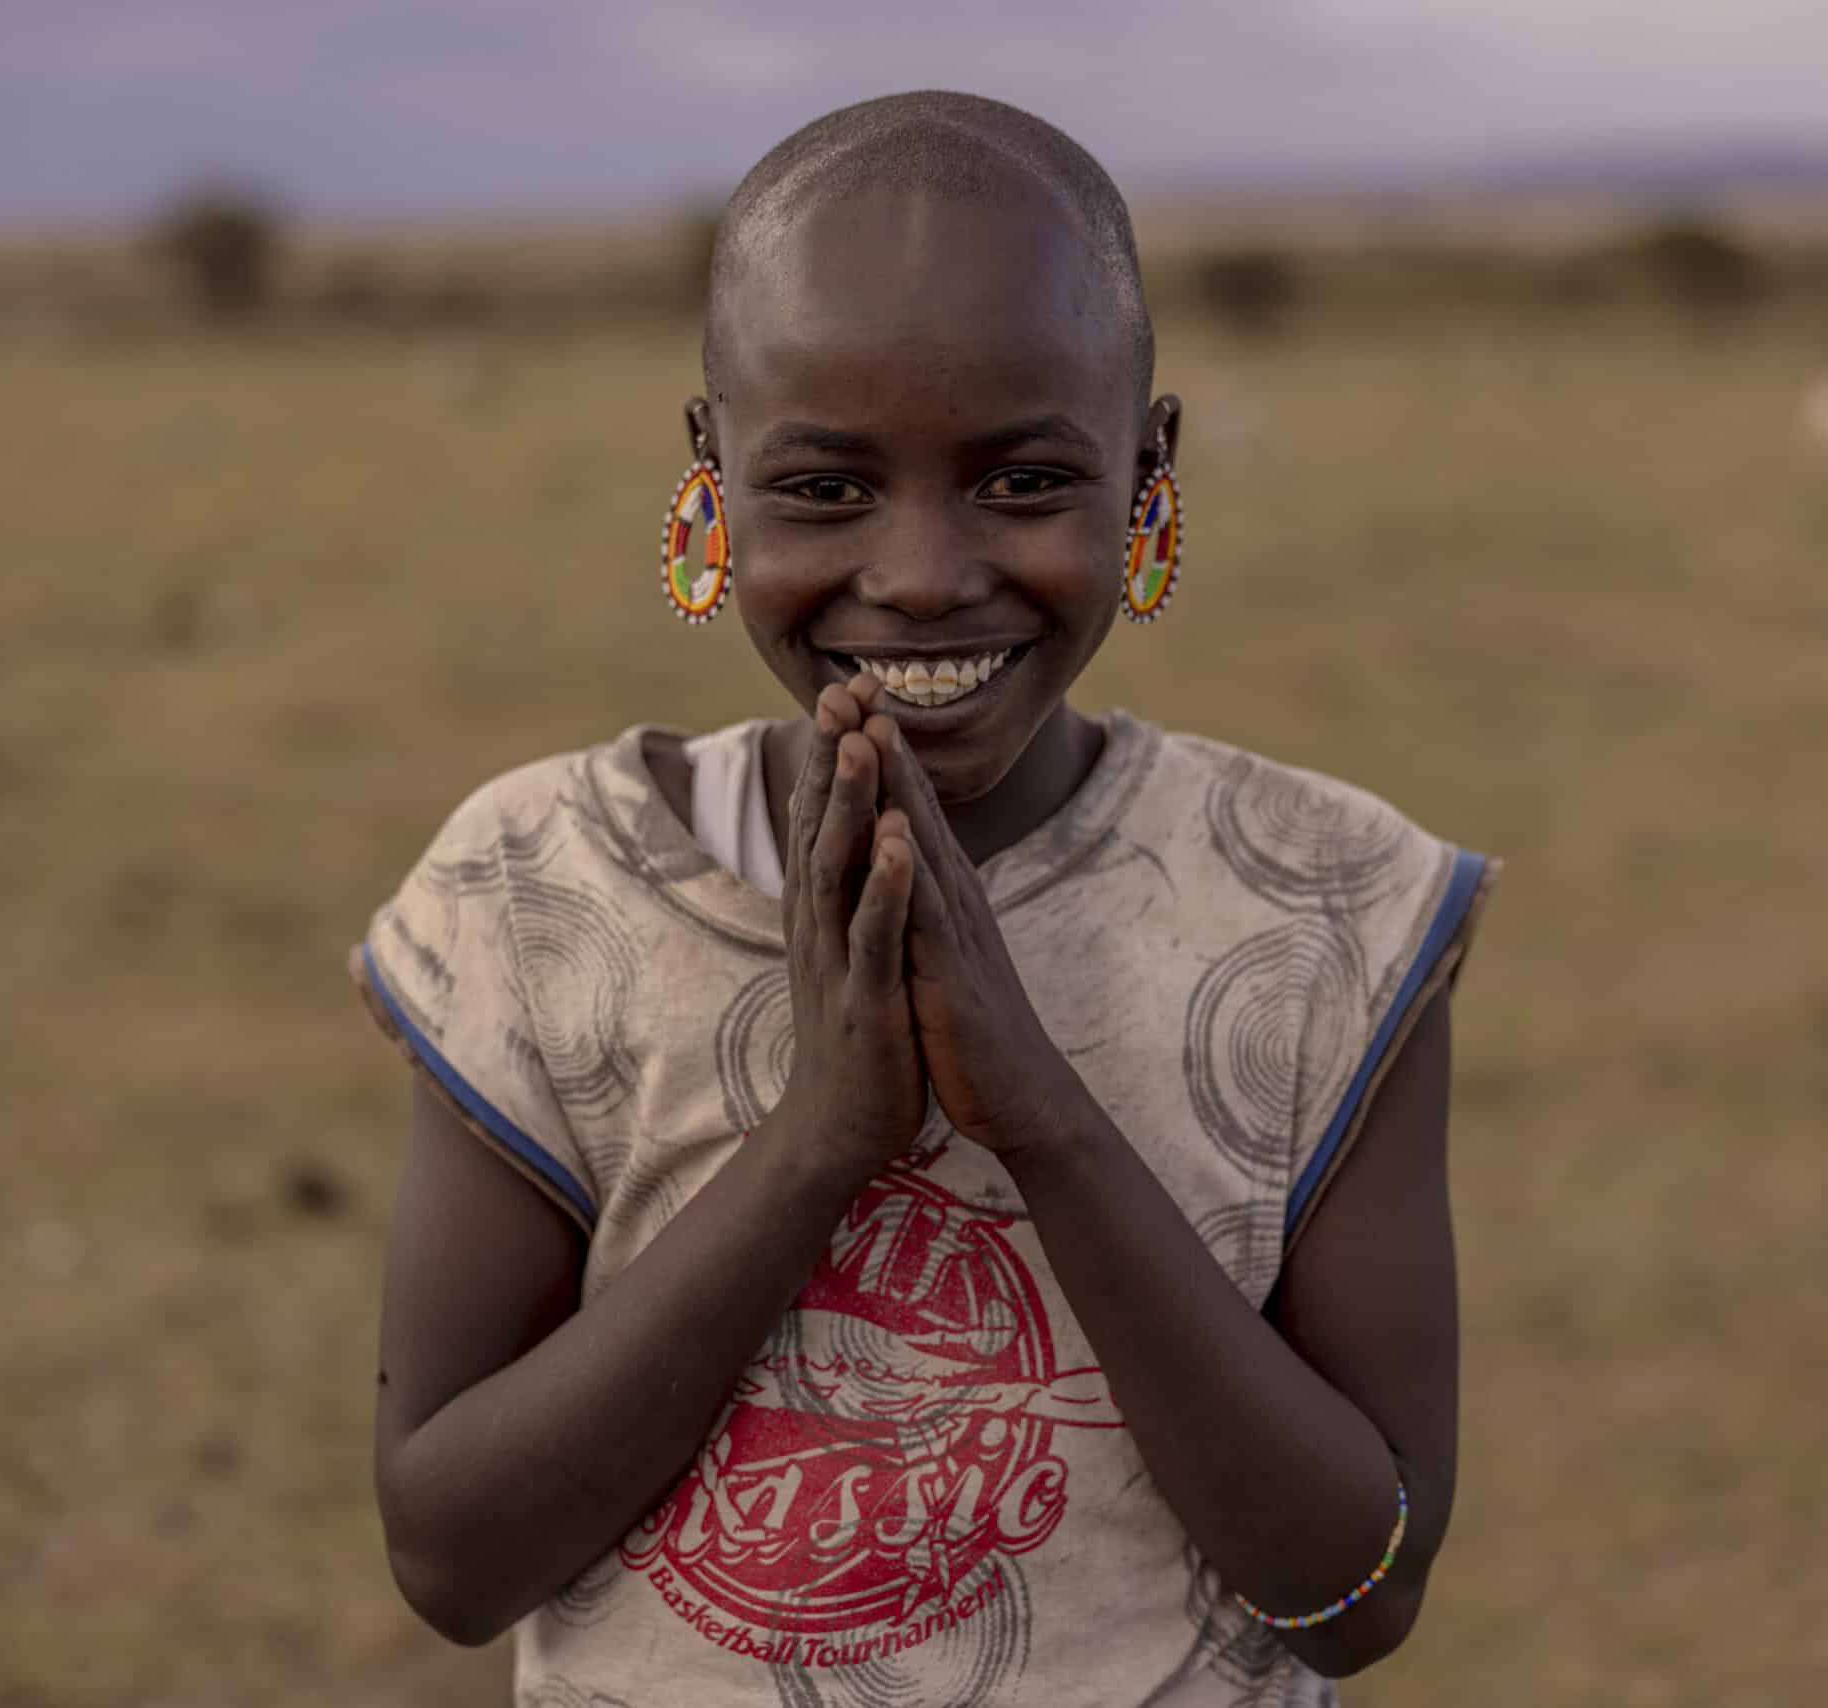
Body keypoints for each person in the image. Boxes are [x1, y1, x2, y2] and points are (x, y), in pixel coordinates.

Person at [352, 89, 1498, 1708]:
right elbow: (451, 1564)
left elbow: (1358, 1594)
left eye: (1023, 483)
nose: (920, 575)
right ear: (712, 476)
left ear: (1147, 469)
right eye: (824, 489)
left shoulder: (1327, 908)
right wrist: (824, 1133)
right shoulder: (545, 889)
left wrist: (1041, 1116)